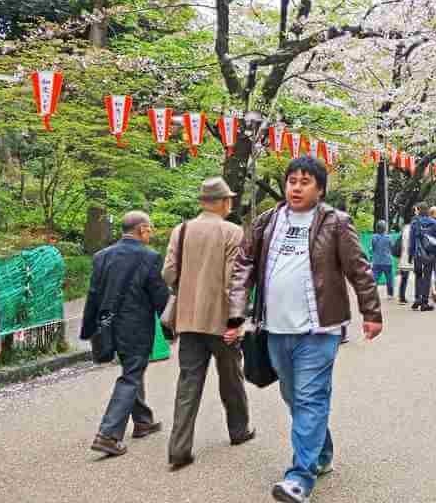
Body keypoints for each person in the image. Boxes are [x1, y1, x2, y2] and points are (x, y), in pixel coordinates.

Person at [227, 156, 382, 503]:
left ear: (320, 189)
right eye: (292, 181)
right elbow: (243, 265)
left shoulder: (336, 223)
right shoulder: (267, 221)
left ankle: (300, 476)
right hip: (275, 329)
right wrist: (236, 314)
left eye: (305, 181)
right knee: (293, 396)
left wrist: (371, 312)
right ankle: (321, 451)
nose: (296, 187)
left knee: (309, 397)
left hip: (319, 329)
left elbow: (360, 270)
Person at [162, 178, 254, 471]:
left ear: (203, 201)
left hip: (188, 320)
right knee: (231, 378)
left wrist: (190, 287)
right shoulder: (232, 232)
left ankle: (179, 449)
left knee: (188, 382)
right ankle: (238, 431)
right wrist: (236, 320)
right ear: (224, 202)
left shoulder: (182, 230)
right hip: (221, 322)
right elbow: (234, 282)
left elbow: (168, 273)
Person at [82, 211, 171, 457]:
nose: (150, 234)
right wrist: (170, 327)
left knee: (132, 370)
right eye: (150, 229)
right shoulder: (150, 257)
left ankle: (143, 421)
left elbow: (93, 294)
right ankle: (108, 434)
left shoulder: (102, 256)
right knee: (131, 375)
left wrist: (89, 330)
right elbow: (160, 296)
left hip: (108, 326)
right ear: (142, 229)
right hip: (136, 328)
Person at [408, 202, 436, 311]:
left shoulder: (414, 222)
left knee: (418, 276)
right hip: (430, 254)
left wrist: (410, 254)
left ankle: (417, 298)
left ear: (419, 210)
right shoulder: (434, 222)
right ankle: (424, 302)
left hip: (418, 254)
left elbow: (412, 240)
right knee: (427, 277)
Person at [371, 220, 395, 299]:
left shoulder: (374, 237)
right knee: (389, 279)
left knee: (375, 278)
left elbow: (373, 248)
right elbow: (392, 247)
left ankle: (372, 293)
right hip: (387, 261)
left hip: (377, 261)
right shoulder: (388, 237)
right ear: (385, 228)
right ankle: (390, 295)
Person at [397, 211, 414, 305]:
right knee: (420, 276)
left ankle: (401, 296)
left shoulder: (404, 228)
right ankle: (420, 297)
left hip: (404, 255)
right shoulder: (412, 228)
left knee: (404, 277)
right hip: (410, 255)